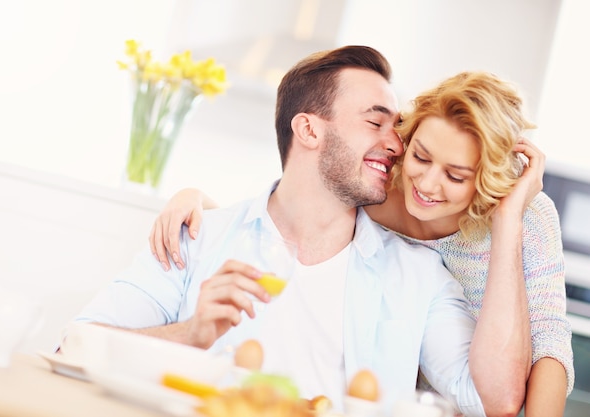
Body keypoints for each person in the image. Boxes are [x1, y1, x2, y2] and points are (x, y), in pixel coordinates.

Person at [74, 46, 523, 417]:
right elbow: (75, 346)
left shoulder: (419, 276)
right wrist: (189, 334)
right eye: (375, 121)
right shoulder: (198, 236)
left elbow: (493, 400)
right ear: (308, 129)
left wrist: (508, 222)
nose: (397, 144)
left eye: (397, 126)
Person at [149, 71, 574, 416]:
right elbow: (288, 215)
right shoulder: (373, 188)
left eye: (456, 176)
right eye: (421, 157)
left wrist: (506, 221)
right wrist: (197, 199)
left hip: (483, 386)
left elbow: (549, 342)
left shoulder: (525, 216)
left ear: (486, 180)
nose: (426, 184)